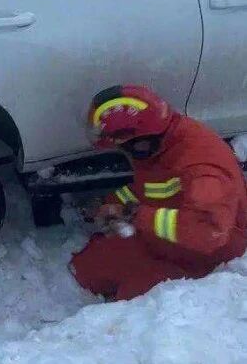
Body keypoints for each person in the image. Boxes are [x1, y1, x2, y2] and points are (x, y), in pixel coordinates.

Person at [71, 84, 247, 300]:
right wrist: (110, 202)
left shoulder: (202, 169)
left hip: (208, 253)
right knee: (87, 269)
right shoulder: (163, 140)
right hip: (175, 233)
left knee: (134, 297)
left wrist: (133, 215)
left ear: (140, 143)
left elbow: (209, 232)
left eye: (123, 146)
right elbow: (154, 186)